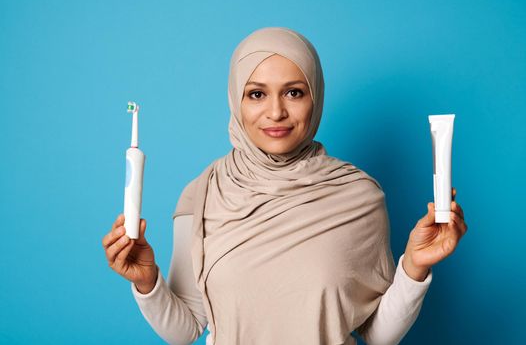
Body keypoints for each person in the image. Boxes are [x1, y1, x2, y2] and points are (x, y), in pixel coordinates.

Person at [102, 27, 467, 345]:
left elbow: (376, 334)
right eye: (257, 94)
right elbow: (186, 330)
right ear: (236, 100)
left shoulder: (360, 196)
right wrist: (148, 283)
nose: (275, 112)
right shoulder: (202, 194)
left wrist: (415, 266)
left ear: (316, 97)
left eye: (293, 92)